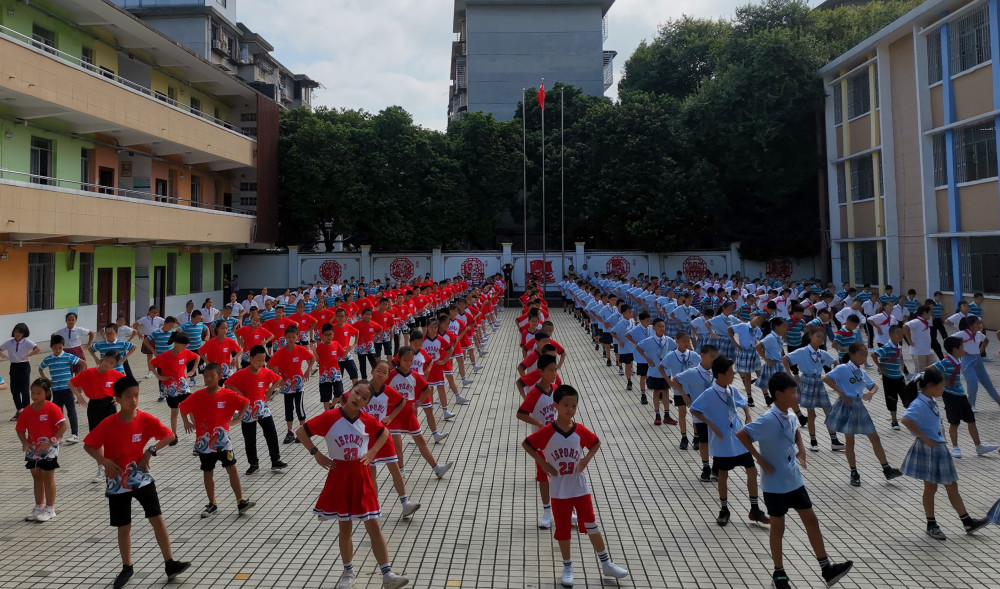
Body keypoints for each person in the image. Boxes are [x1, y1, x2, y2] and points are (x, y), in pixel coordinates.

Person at [737, 372, 854, 589]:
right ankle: (779, 573)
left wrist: (801, 449)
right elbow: (742, 435)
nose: (797, 396)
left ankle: (826, 568)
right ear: (779, 395)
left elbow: (796, 432)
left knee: (811, 520)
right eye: (793, 392)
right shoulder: (767, 419)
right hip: (774, 485)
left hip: (794, 480)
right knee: (778, 528)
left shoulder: (790, 415)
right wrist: (760, 460)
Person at [294, 382, 410, 589]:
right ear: (349, 392)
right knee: (345, 527)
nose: (358, 399)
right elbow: (301, 431)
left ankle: (387, 573)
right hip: (339, 476)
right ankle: (348, 571)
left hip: (362, 475)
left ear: (367, 402)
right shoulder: (330, 417)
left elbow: (384, 432)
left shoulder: (367, 419)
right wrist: (316, 454)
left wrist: (373, 452)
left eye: (364, 398)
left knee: (373, 524)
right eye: (356, 393)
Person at [83, 376, 192, 589]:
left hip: (141, 478)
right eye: (128, 397)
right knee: (124, 527)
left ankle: (170, 563)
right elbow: (89, 445)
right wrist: (103, 460)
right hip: (117, 481)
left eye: (136, 396)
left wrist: (150, 451)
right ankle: (127, 566)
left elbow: (169, 436)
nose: (134, 401)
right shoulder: (108, 423)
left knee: (157, 519)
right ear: (117, 399)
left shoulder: (145, 419)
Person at [522, 385, 630, 588]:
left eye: (574, 405)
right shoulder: (547, 432)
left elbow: (596, 443)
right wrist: (543, 463)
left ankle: (606, 563)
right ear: (556, 406)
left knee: (592, 524)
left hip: (580, 487)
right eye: (565, 405)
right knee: (563, 529)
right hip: (558, 490)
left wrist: (584, 461)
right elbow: (527, 444)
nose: (570, 409)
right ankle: (567, 567)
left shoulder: (579, 430)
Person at [898, 367, 991, 541]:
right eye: (941, 386)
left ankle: (966, 521)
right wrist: (925, 437)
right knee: (932, 488)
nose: (943, 389)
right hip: (930, 449)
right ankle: (933, 523)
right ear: (931, 385)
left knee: (950, 485)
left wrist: (938, 427)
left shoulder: (929, 399)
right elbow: (905, 420)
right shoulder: (919, 402)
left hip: (938, 448)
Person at [690, 356, 770, 527]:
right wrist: (711, 425)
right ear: (719, 375)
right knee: (723, 474)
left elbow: (743, 404)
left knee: (752, 470)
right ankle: (724, 509)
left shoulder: (732, 390)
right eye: (730, 373)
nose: (733, 375)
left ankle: (754, 508)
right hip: (722, 442)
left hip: (739, 438)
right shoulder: (709, 394)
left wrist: (748, 415)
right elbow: (694, 409)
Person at [178, 364, 254, 518]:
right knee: (208, 472)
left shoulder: (228, 394)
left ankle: (241, 501)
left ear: (220, 377)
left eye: (211, 376)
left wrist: (239, 418)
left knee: (232, 469)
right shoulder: (198, 395)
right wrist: (186, 421)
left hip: (223, 442)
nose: (207, 379)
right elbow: (182, 406)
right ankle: (212, 503)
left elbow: (246, 402)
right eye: (205, 376)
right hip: (204, 443)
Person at [823, 343, 903, 487]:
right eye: (862, 355)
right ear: (853, 354)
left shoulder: (861, 372)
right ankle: (854, 472)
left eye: (866, 355)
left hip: (859, 406)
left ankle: (886, 468)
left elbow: (874, 386)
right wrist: (842, 393)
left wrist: (870, 394)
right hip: (847, 405)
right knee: (850, 441)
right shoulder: (843, 368)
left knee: (874, 437)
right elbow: (826, 378)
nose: (864, 358)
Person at [387, 347, 453, 476]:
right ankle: (401, 470)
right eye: (405, 360)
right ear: (399, 359)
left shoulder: (415, 375)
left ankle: (437, 468)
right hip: (393, 414)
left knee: (421, 441)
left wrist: (417, 403)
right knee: (397, 444)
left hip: (409, 413)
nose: (409, 363)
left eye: (411, 360)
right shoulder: (390, 375)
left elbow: (426, 389)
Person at [932, 336, 999, 458]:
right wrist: (942, 382)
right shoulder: (946, 361)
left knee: (971, 420)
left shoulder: (958, 360)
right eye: (962, 347)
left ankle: (979, 446)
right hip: (950, 396)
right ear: (954, 349)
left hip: (961, 395)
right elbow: (929, 370)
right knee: (954, 422)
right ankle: (955, 447)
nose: (964, 349)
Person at [225, 346, 286, 475]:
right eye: (258, 360)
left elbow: (278, 379)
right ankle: (253, 463)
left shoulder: (266, 372)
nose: (261, 363)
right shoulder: (242, 373)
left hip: (262, 408)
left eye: (263, 360)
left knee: (271, 433)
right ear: (250, 358)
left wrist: (270, 391)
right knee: (249, 438)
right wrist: (240, 395)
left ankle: (275, 460)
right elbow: (228, 383)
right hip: (247, 410)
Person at [517, 354, 561, 529]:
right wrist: (539, 423)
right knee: (544, 476)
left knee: (561, 474)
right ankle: (547, 512)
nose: (554, 374)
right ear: (541, 372)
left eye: (555, 370)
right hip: (541, 442)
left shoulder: (557, 389)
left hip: (557, 439)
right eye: (550, 370)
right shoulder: (535, 393)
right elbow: (520, 414)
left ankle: (562, 508)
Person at [16, 378, 67, 523]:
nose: (35, 396)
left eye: (38, 393)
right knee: (36, 476)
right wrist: (24, 442)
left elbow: (63, 426)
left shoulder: (52, 408)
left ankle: (50, 509)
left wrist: (53, 440)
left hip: (49, 448)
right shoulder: (26, 411)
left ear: (46, 393)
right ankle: (39, 506)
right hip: (33, 448)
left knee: (47, 476)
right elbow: (20, 430)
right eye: (33, 393)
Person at [784, 326, 843, 452]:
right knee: (812, 414)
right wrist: (791, 376)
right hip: (807, 381)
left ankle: (834, 440)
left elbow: (835, 362)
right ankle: (813, 441)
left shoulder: (823, 353)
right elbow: (785, 359)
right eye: (818, 336)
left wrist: (834, 375)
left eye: (822, 337)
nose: (820, 339)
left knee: (829, 411)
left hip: (819, 382)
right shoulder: (802, 351)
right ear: (810, 336)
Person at [70, 351, 125, 483]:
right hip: (94, 405)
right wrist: (79, 395)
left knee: (112, 437)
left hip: (109, 405)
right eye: (106, 361)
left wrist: (119, 398)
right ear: (102, 359)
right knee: (96, 439)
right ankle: (101, 467)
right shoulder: (89, 373)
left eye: (112, 363)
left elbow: (127, 387)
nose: (107, 365)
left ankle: (116, 465)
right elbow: (71, 383)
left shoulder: (117, 375)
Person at [267, 326, 316, 444]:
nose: (291, 339)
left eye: (293, 337)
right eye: (289, 337)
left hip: (299, 383)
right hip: (286, 385)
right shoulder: (280, 352)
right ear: (285, 337)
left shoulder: (300, 349)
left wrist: (308, 369)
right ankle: (290, 432)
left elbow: (312, 358)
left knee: (299, 407)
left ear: (297, 337)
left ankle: (302, 431)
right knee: (288, 408)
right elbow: (269, 365)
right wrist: (278, 378)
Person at [149, 333, 199, 440]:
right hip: (170, 387)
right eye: (183, 345)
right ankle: (174, 435)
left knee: (191, 407)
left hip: (183, 386)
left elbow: (197, 356)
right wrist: (159, 376)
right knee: (174, 411)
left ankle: (198, 435)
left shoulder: (185, 353)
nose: (185, 347)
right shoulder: (165, 356)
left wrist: (193, 371)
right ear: (176, 343)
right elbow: (151, 364)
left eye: (186, 345)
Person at [39, 335, 82, 444]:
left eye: (60, 348)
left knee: (71, 411)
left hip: (67, 389)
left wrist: (76, 378)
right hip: (56, 390)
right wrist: (46, 380)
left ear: (63, 346)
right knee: (58, 413)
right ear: (51, 347)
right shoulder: (48, 359)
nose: (57, 350)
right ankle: (59, 436)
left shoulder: (68, 356)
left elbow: (83, 364)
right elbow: (40, 368)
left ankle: (74, 435)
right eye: (55, 348)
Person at [871, 325, 914, 431]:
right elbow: (873, 355)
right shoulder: (886, 347)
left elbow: (900, 356)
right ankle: (894, 421)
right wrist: (880, 368)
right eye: (898, 334)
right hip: (889, 378)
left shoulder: (898, 346)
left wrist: (902, 365)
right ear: (891, 335)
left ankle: (912, 418)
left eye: (901, 334)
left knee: (906, 397)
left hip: (899, 377)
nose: (901, 336)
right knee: (891, 398)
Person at [957, 316, 999, 411]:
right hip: (966, 361)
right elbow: (947, 341)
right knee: (973, 383)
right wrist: (960, 352)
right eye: (977, 323)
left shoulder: (978, 334)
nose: (980, 325)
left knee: (988, 383)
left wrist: (981, 350)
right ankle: (971, 404)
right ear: (970, 325)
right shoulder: (962, 334)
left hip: (978, 360)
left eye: (980, 323)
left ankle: (999, 401)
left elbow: (986, 340)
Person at [0, 323, 41, 421]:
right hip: (14, 366)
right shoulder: (9, 343)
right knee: (14, 390)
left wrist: (29, 355)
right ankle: (19, 411)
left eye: (20, 332)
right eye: (16, 332)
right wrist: (2, 355)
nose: (17, 334)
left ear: (24, 333)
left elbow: (38, 349)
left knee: (25, 390)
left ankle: (26, 412)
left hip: (24, 366)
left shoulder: (27, 342)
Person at [316, 323, 347, 411]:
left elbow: (342, 355)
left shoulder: (336, 344)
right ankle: (327, 414)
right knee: (326, 397)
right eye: (326, 335)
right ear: (322, 335)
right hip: (324, 375)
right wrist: (314, 351)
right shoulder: (320, 346)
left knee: (339, 392)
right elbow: (317, 360)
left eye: (330, 334)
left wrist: (348, 349)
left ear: (333, 334)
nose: (328, 337)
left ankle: (332, 406)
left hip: (336, 373)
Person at [904, 306, 936, 373]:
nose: (931, 314)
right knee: (920, 372)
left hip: (927, 350)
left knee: (932, 369)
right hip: (919, 351)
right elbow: (905, 326)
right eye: (930, 312)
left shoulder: (925, 322)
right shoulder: (917, 321)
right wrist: (909, 340)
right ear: (925, 313)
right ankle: (918, 383)